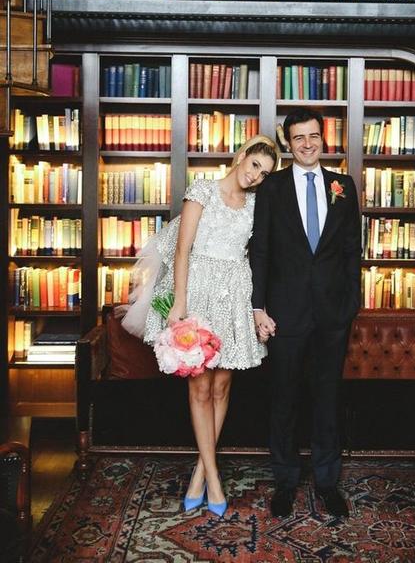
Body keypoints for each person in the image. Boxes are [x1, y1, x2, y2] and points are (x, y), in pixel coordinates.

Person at [121, 135, 279, 517]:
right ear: (242, 156)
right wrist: (179, 303)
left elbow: (260, 254)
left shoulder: (256, 204)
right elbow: (182, 249)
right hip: (197, 293)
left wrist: (258, 308)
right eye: (255, 165)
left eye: (264, 173)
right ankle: (214, 479)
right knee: (200, 387)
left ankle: (199, 475)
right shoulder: (202, 190)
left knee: (222, 386)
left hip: (234, 295)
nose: (256, 176)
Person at [249, 108, 361, 519]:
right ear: (288, 143)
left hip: (332, 314)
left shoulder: (343, 186)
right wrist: (258, 306)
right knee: (284, 399)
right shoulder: (272, 188)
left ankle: (328, 483)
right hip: (285, 313)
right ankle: (285, 481)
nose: (307, 144)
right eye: (299, 138)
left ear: (322, 139)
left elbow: (351, 250)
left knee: (327, 399)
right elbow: (261, 250)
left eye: (313, 136)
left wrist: (350, 304)